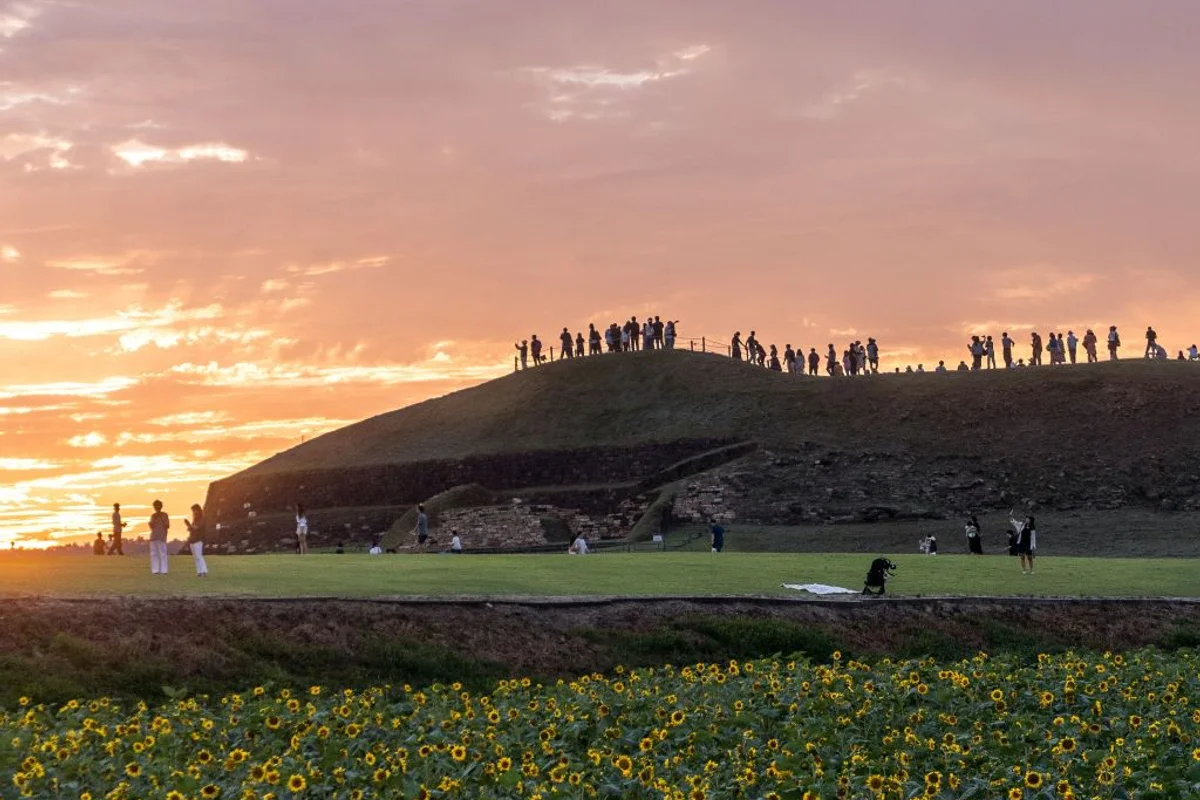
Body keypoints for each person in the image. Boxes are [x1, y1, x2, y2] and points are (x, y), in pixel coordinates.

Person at [183, 503, 208, 577]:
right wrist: (189, 527)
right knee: (195, 557)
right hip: (192, 540)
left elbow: (197, 528)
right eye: (193, 511)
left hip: (198, 540)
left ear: (198, 510)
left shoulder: (202, 519)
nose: (193, 512)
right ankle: (199, 572)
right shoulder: (195, 520)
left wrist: (189, 525)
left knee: (199, 556)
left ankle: (204, 571)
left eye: (194, 510)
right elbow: (192, 529)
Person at [148, 499, 170, 575]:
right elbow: (151, 526)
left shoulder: (165, 515)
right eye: (155, 506)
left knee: (163, 554)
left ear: (161, 506)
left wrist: (160, 517)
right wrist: (152, 521)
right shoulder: (153, 516)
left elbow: (167, 525)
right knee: (154, 554)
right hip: (154, 536)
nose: (156, 507)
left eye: (157, 506)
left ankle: (164, 570)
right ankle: (155, 570)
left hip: (161, 536)